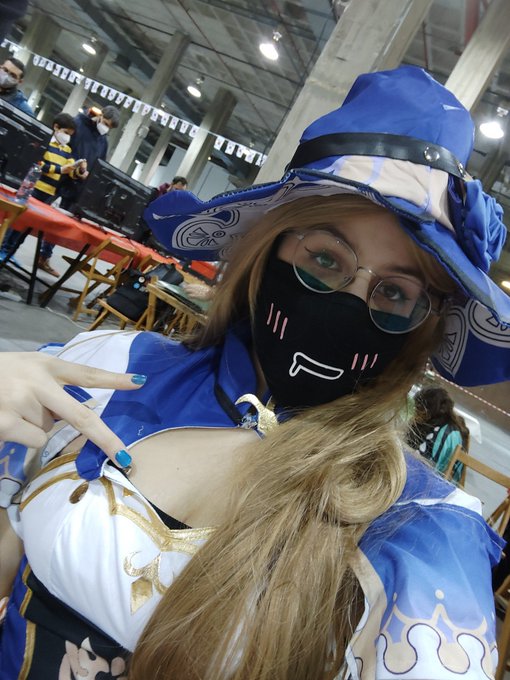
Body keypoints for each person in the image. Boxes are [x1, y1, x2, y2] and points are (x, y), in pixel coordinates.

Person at [0, 66, 508, 679]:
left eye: (396, 294)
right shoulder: (112, 365)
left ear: (422, 327)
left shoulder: (420, 526)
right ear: (267, 250)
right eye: (326, 259)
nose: (347, 304)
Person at [0, 112, 88, 274]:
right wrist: (59, 169)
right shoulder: (45, 143)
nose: (67, 137)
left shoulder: (67, 150)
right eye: (66, 133)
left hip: (48, 194)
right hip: (33, 189)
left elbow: (70, 170)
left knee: (28, 225)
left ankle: (11, 252)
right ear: (56, 127)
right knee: (17, 221)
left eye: (70, 135)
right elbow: (39, 164)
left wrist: (80, 171)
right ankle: (3, 249)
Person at [57, 104, 120, 210]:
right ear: (100, 115)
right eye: (105, 123)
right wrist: (75, 167)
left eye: (109, 127)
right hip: (59, 180)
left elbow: (99, 167)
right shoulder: (77, 124)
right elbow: (62, 148)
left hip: (75, 191)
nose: (105, 128)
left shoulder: (103, 142)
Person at [406, 386, 470, 482]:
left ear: (428, 410)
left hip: (433, 481)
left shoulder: (443, 434)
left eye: (418, 408)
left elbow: (428, 469)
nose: (415, 412)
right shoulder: (438, 424)